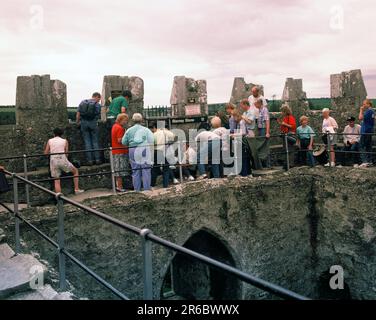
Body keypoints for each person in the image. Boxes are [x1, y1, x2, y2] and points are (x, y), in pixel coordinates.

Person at [44, 128, 84, 194]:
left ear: (54, 134)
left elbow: (45, 153)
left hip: (53, 160)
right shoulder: (65, 141)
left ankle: (60, 197)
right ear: (61, 134)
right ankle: (76, 189)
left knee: (56, 180)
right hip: (62, 159)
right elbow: (66, 153)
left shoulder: (50, 141)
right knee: (75, 171)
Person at [122, 114, 154, 192]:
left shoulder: (129, 130)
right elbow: (152, 140)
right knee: (146, 169)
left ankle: (137, 190)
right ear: (141, 120)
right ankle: (146, 189)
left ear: (133, 120)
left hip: (132, 149)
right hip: (144, 148)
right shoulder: (146, 130)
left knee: (135, 170)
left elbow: (123, 142)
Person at [149, 122, 178, 188]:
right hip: (164, 152)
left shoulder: (154, 134)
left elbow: (152, 144)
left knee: (155, 169)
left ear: (155, 127)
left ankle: (152, 185)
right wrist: (170, 142)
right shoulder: (165, 132)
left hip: (156, 152)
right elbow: (176, 137)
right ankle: (165, 186)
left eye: (153, 128)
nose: (153, 130)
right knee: (166, 169)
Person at [77, 92, 102, 166]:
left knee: (87, 142)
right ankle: (97, 160)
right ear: (97, 97)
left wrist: (77, 122)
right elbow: (98, 114)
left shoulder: (82, 102)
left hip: (84, 123)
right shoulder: (97, 104)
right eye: (99, 99)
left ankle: (90, 161)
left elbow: (78, 114)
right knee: (95, 142)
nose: (99, 101)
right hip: (93, 123)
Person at [111, 114, 130, 193]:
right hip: (120, 151)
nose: (126, 122)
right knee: (120, 170)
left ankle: (117, 185)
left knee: (117, 169)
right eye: (125, 120)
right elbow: (120, 140)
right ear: (121, 120)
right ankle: (119, 186)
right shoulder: (120, 128)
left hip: (115, 150)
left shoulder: (114, 126)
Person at [231, 109, 251, 176]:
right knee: (244, 158)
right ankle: (247, 173)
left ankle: (244, 174)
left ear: (237, 115)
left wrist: (233, 135)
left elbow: (243, 133)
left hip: (243, 142)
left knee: (243, 158)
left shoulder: (241, 122)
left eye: (234, 116)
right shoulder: (240, 122)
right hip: (243, 141)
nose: (233, 118)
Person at [358, 99, 375, 168]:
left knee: (361, 146)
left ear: (369, 104)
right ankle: (369, 161)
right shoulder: (372, 111)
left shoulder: (368, 111)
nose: (363, 105)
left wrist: (361, 110)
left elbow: (360, 118)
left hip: (365, 131)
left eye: (364, 104)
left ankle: (365, 161)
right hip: (369, 131)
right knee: (368, 147)